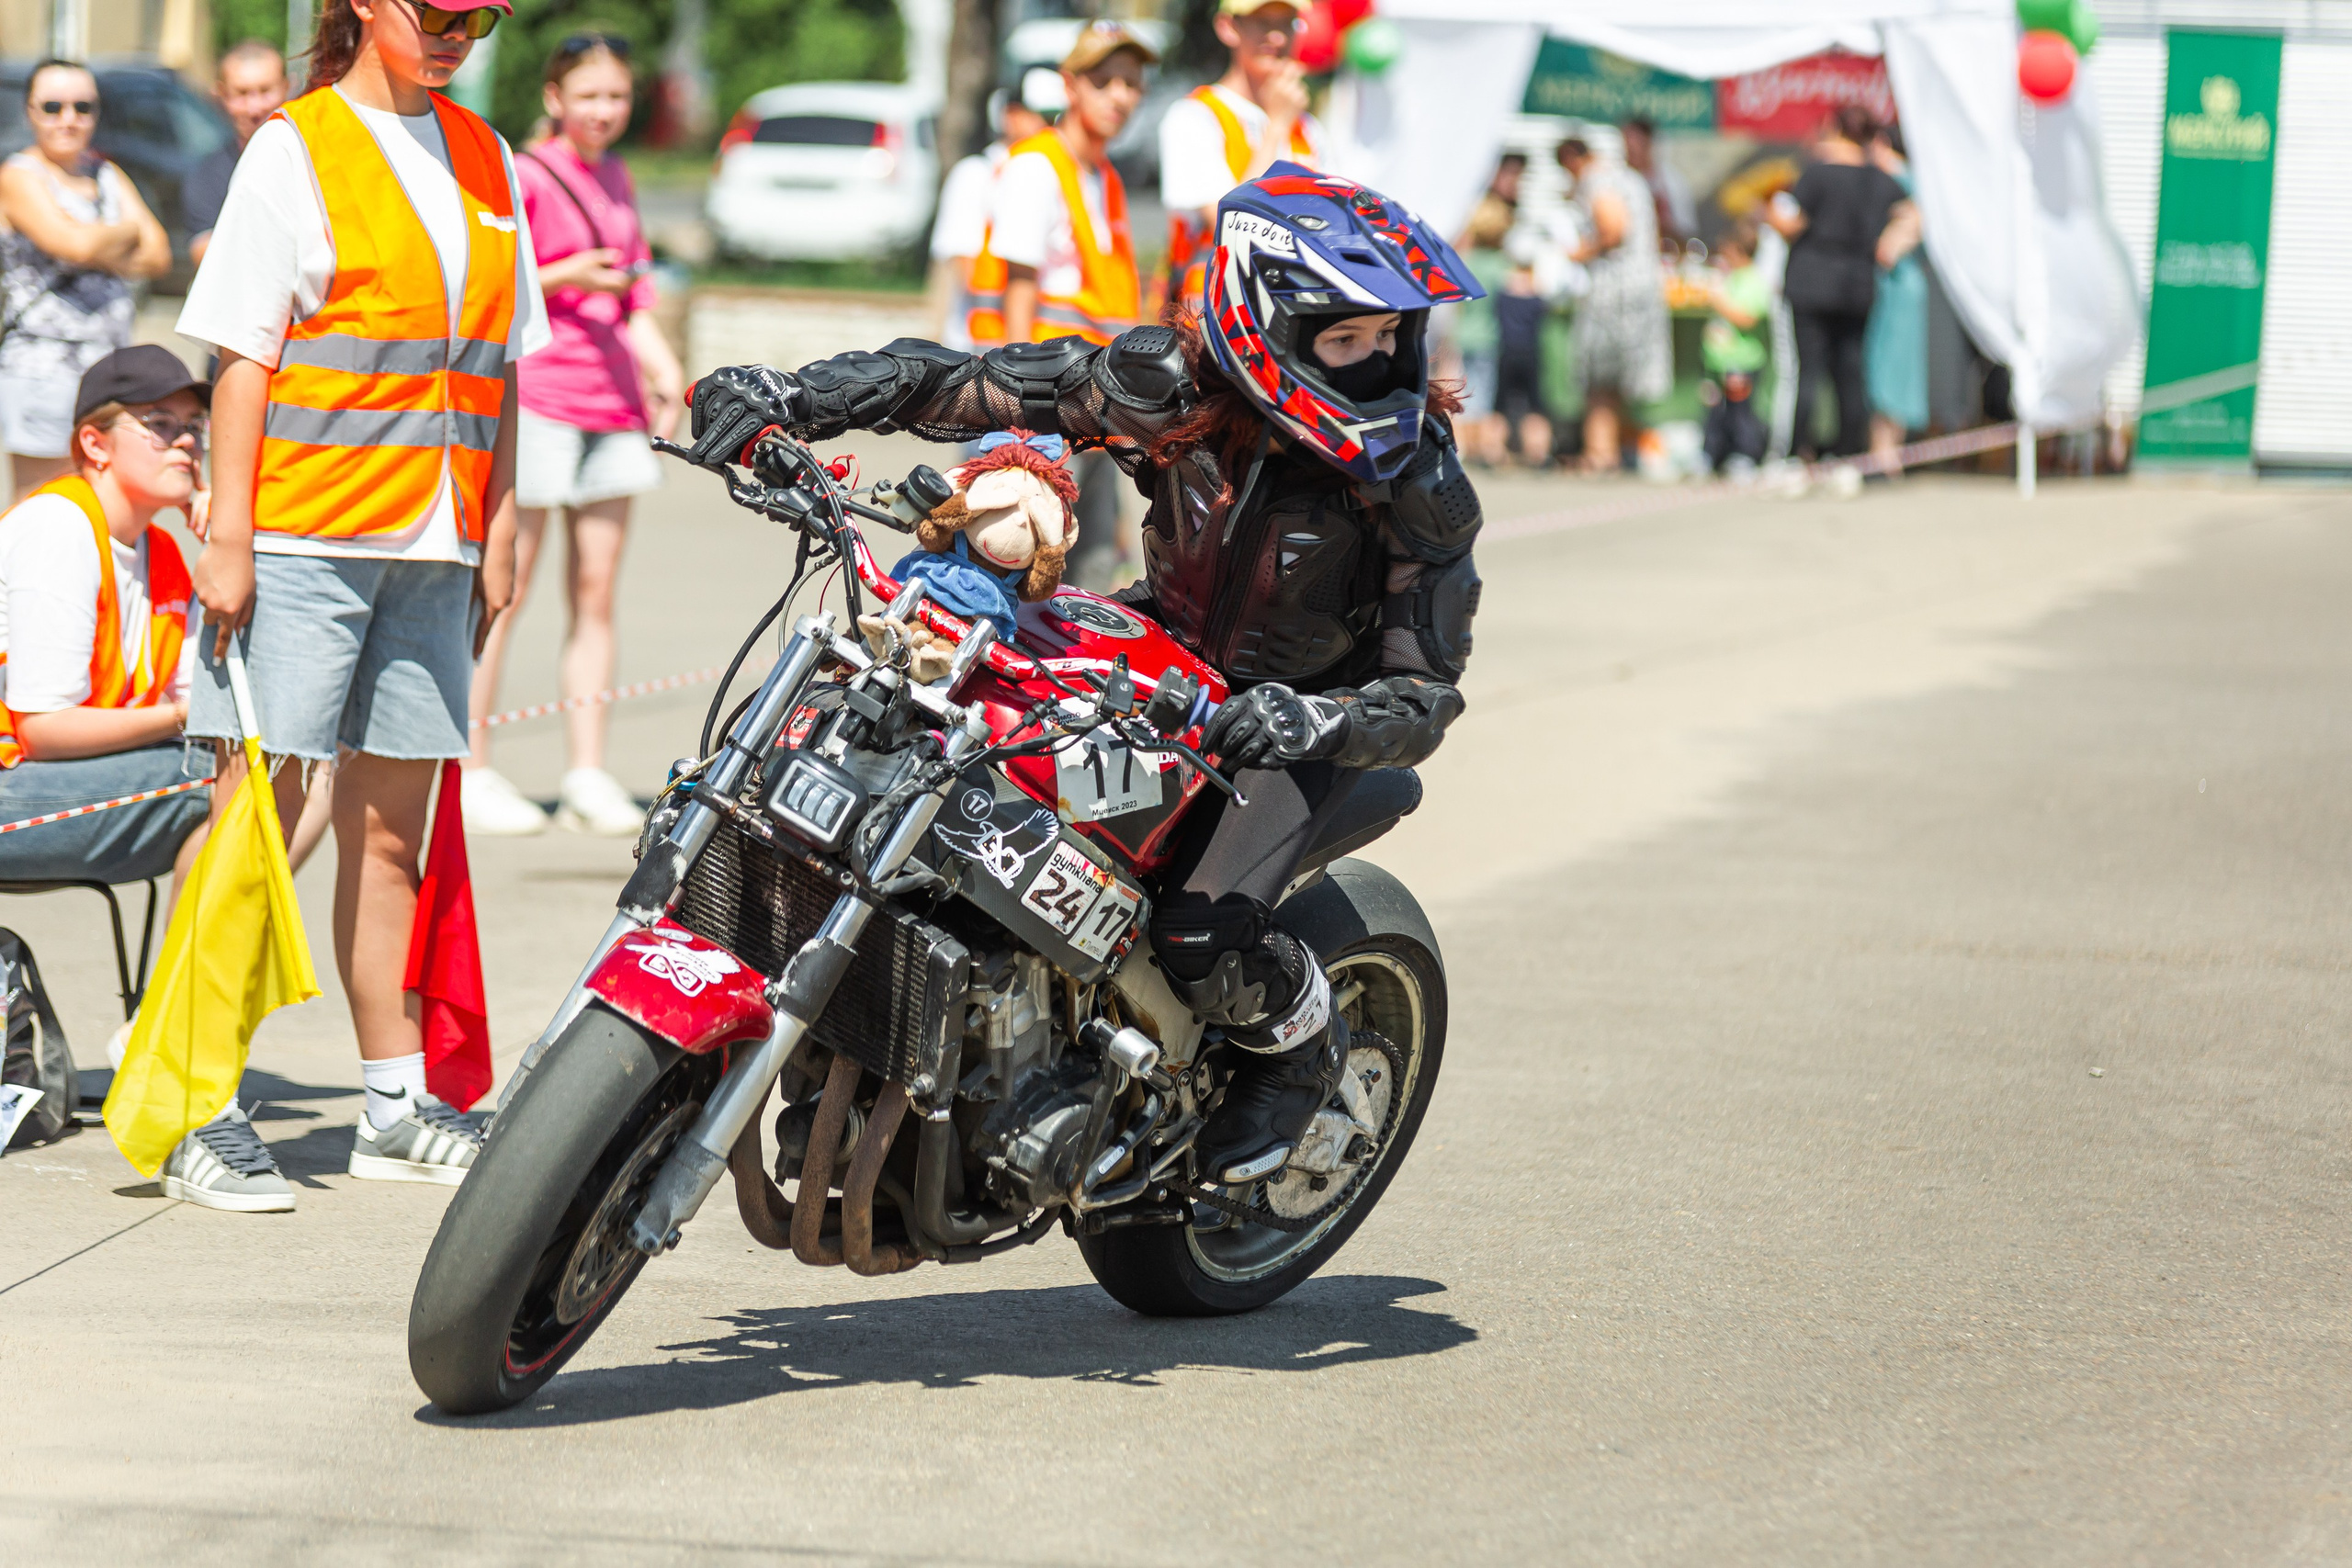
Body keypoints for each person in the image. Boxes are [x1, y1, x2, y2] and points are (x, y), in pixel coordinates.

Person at [683, 164, 1486, 1190]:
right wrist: (794, 397)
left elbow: (1424, 693)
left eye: (1388, 338)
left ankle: (1298, 1058)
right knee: (907, 735)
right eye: (1345, 339)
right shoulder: (1168, 386)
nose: (1376, 364)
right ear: (1267, 324)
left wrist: (1311, 722)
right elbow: (968, 382)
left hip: (1296, 720)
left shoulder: (1418, 478)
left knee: (1200, 938)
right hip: (1150, 647)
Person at [175, 0, 548, 1210]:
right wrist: (229, 538)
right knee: (260, 823)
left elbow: (499, 367)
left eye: (480, 19)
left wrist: (497, 526)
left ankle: (393, 1105)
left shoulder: (487, 155)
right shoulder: (295, 148)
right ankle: (195, 1100)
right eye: (438, 12)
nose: (457, 34)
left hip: (433, 543)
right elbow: (243, 359)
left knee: (393, 836)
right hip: (302, 536)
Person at [464, 31, 685, 839]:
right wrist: (568, 275)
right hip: (541, 400)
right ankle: (471, 766)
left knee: (596, 592)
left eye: (617, 96)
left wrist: (668, 374)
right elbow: (491, 278)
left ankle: (587, 771)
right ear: (554, 98)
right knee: (506, 588)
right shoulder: (525, 172)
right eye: (588, 95)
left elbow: (633, 299)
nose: (604, 110)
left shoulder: (617, 174)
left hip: (612, 405)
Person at [0, 348, 209, 895]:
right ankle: (188, 956)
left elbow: (209, 703)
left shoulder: (164, 555)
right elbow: (44, 730)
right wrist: (185, 718)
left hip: (42, 778)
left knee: (270, 768)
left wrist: (229, 546)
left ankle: (194, 953)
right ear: (95, 445)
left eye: (194, 427)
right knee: (226, 778)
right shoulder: (59, 527)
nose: (187, 442)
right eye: (160, 425)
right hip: (12, 784)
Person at [966, 21, 1153, 591]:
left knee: (1082, 573)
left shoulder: (1102, 177)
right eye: (1104, 81)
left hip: (1091, 409)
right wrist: (1020, 418)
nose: (1120, 96)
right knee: (1005, 559)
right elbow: (1017, 290)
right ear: (1070, 85)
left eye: (1131, 83)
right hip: (1040, 410)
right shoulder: (1037, 166)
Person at [0, 62, 171, 498]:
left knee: (100, 503)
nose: (68, 119)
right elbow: (74, 246)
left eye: (82, 107)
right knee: (41, 506)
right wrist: (125, 232)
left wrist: (97, 243)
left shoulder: (104, 172)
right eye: (52, 107)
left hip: (107, 369)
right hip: (44, 371)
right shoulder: (18, 176)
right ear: (29, 111)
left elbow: (158, 254)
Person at [1768, 107, 1912, 471]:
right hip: (1857, 284)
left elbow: (1791, 224)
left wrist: (1770, 215)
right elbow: (1911, 210)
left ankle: (1796, 455)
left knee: (1807, 372)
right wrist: (1890, 244)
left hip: (1811, 281)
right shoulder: (1879, 179)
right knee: (1850, 374)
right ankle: (1849, 457)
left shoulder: (1817, 174)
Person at [1158, 0, 1318, 311]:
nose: (1277, 37)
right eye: (1263, 23)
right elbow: (1231, 226)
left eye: (1286, 23)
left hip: (1292, 314)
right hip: (1215, 318)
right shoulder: (1195, 116)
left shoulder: (1308, 128)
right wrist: (1277, 126)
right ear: (1228, 27)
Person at [1554, 136, 1668, 474]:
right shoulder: (1630, 177)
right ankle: (1615, 450)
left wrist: (1579, 252)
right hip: (1643, 284)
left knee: (1600, 378)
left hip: (1614, 291)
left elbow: (1613, 229)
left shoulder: (1597, 181)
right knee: (1620, 380)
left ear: (1573, 160)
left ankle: (1599, 453)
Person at [928, 87, 1049, 354]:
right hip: (977, 347)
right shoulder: (976, 173)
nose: (1050, 127)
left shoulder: (1054, 174)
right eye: (1044, 116)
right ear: (1011, 116)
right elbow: (960, 264)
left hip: (1029, 347)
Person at [185, 39, 289, 270]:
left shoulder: (312, 162)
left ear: (287, 87)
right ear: (221, 94)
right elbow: (203, 253)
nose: (255, 108)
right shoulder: (208, 175)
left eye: (266, 91)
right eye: (241, 93)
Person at [1864, 125, 1928, 471]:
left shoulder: (1897, 180)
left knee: (1888, 366)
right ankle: (1888, 453)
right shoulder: (1915, 179)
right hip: (1905, 284)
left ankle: (1884, 453)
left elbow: (1909, 228)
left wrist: (1889, 244)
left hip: (1896, 284)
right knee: (1898, 367)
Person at [1700, 220, 1770, 477]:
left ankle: (1745, 454)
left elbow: (1749, 318)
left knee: (1741, 413)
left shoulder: (1753, 281)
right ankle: (1712, 454)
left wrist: (1719, 303)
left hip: (1741, 363)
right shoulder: (1727, 277)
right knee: (1714, 412)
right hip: (1717, 363)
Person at [1619, 116, 1694, 246]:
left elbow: (1686, 231)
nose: (1630, 152)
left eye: (1635, 145)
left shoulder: (1672, 182)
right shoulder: (1617, 179)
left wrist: (1659, 219)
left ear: (1648, 144)